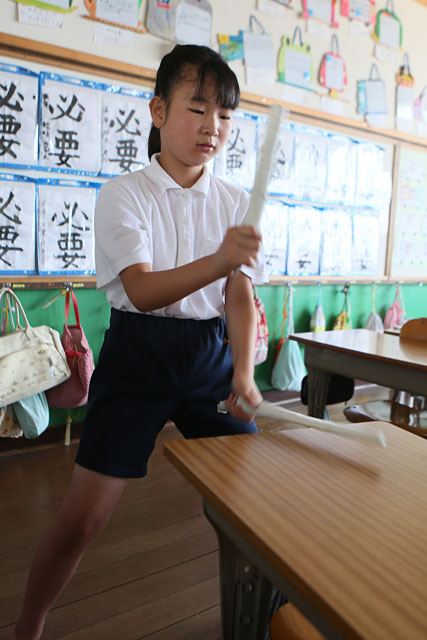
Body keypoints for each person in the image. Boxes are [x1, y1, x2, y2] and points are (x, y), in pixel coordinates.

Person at [14, 44, 267, 640]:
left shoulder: (236, 202)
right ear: (158, 111)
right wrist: (220, 259)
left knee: (254, 510)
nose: (212, 126)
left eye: (225, 115)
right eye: (197, 108)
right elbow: (143, 291)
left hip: (210, 358)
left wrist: (243, 373)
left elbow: (238, 295)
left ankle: (262, 622)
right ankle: (27, 627)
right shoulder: (123, 194)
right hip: (137, 358)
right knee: (83, 520)